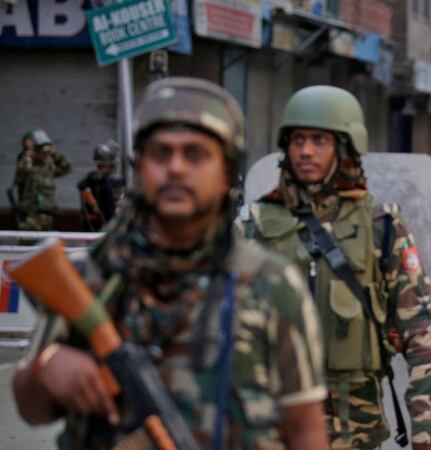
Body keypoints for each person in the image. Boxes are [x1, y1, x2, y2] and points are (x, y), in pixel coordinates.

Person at [12, 77, 329, 449]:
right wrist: (48, 366)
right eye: (161, 153)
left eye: (195, 154)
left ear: (227, 172)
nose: (176, 168)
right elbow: (30, 408)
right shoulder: (90, 275)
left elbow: (305, 428)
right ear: (139, 167)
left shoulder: (272, 284)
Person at [238, 85, 431, 450]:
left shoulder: (380, 224)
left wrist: (427, 434)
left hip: (354, 424)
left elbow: (422, 333)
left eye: (319, 140)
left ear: (346, 146)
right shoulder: (255, 224)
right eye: (298, 139)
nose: (305, 150)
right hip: (269, 419)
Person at [14, 129, 72, 231]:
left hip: (47, 219)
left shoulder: (47, 169)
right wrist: (29, 151)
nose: (45, 155)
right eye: (41, 151)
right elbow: (25, 170)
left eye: (47, 152)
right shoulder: (26, 167)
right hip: (30, 219)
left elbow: (66, 167)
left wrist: (54, 153)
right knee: (29, 245)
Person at [77, 140, 126, 231]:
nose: (101, 168)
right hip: (94, 221)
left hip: (110, 221)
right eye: (99, 166)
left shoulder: (115, 179)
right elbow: (82, 188)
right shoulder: (91, 178)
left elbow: (119, 201)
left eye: (104, 165)